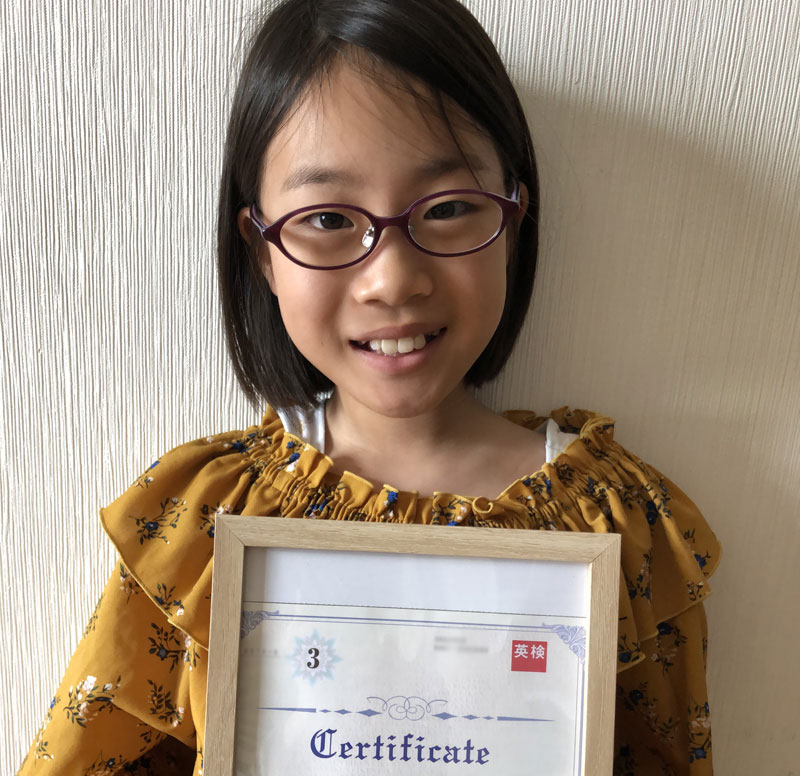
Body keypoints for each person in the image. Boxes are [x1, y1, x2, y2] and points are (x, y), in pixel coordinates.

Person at [18, 0, 720, 773]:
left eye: (448, 209)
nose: (392, 280)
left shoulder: (618, 522)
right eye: (327, 220)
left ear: (516, 218)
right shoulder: (207, 521)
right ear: (261, 250)